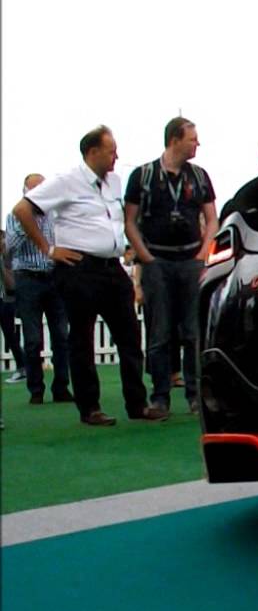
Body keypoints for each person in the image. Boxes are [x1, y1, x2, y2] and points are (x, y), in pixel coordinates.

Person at [12, 125, 167, 425]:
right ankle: (90, 407)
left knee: (130, 335)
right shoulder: (66, 181)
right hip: (79, 267)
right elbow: (22, 210)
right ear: (93, 152)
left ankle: (137, 404)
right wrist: (48, 248)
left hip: (111, 266)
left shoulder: (114, 182)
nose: (116, 157)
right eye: (111, 151)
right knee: (82, 338)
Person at [123, 117, 217, 415]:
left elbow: (212, 219)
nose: (197, 144)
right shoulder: (143, 176)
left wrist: (202, 254)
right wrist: (146, 257)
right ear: (175, 140)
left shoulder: (199, 176)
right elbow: (129, 221)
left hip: (190, 260)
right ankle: (160, 397)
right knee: (159, 331)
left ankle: (195, 396)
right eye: (192, 138)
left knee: (193, 331)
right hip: (157, 260)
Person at [5, 173, 73, 403]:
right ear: (25, 192)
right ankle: (36, 389)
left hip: (54, 278)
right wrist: (28, 220)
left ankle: (61, 387)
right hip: (28, 279)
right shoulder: (14, 216)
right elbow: (10, 247)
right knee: (33, 339)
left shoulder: (55, 215)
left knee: (61, 336)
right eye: (33, 190)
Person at [0, 223, 26, 383]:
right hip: (6, 297)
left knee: (11, 334)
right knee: (10, 334)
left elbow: (11, 284)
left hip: (10, 297)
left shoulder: (8, 255)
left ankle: (23, 367)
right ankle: (23, 366)